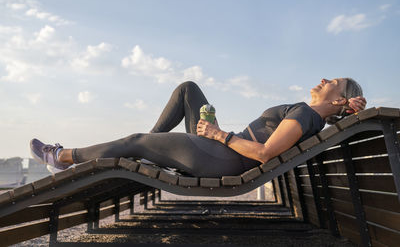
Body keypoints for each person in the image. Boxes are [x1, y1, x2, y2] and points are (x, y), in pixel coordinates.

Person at [30, 78, 366, 178]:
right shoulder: (311, 114)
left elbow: (265, 153)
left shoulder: (307, 114)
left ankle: (61, 157)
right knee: (188, 90)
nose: (322, 80)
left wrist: (218, 134)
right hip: (222, 150)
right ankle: (151, 149)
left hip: (222, 156)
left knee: (134, 140)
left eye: (332, 82)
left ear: (339, 99)